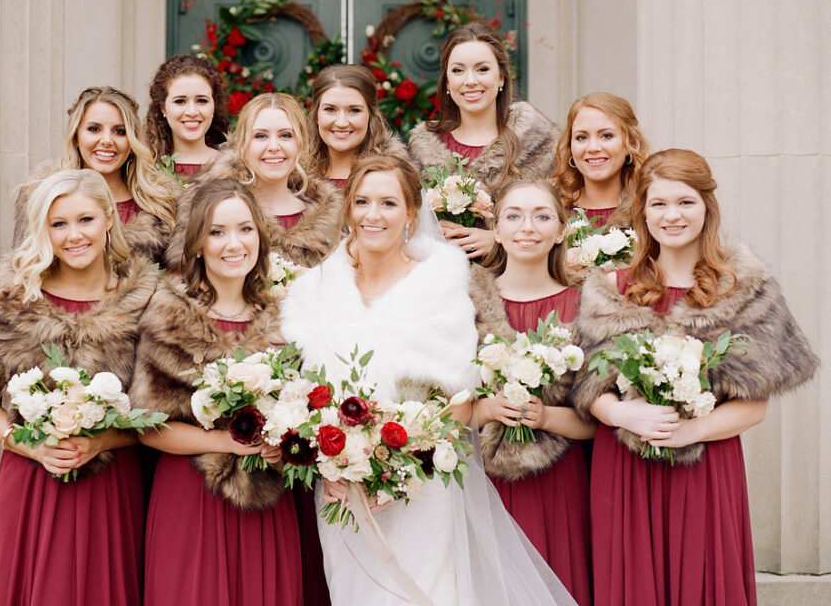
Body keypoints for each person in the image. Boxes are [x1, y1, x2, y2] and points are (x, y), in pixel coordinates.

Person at [281, 156, 575, 606]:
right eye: (361, 202)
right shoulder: (314, 290)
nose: (372, 215)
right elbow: (303, 400)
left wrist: (396, 471)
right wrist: (332, 467)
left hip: (419, 483)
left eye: (388, 203)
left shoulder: (439, 287)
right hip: (343, 490)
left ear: (411, 214)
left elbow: (458, 400)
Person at [571, 149, 818, 605]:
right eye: (658, 203)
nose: (672, 215)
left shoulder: (745, 290)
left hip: (705, 465)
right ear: (642, 211)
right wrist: (625, 413)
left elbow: (754, 405)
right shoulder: (610, 288)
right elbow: (588, 389)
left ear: (708, 207)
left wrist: (690, 431)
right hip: (626, 466)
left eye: (685, 202)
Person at [0, 169, 157, 606]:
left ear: (107, 220)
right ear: (42, 229)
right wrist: (34, 447)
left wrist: (102, 441)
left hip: (113, 484)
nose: (73, 235)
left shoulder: (147, 301)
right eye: (58, 223)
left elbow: (158, 412)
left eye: (84, 220)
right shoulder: (9, 300)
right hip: (31, 480)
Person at [130, 178, 303, 606]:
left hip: (267, 499)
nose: (234, 244)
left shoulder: (287, 319)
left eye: (245, 229)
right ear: (196, 243)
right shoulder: (167, 316)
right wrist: (225, 441)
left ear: (261, 238)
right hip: (191, 498)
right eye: (217, 231)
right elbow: (148, 426)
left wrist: (286, 442)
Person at [470, 179, 594, 605]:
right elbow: (435, 404)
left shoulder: (585, 307)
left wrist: (544, 417)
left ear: (561, 230)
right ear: (496, 228)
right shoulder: (465, 302)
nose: (528, 227)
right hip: (479, 478)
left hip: (557, 482)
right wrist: (487, 408)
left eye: (542, 216)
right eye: (514, 215)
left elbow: (600, 420)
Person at [407, 20, 558, 260]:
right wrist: (431, 233)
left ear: (501, 78)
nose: (470, 81)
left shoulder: (538, 143)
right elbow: (403, 226)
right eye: (458, 70)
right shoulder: (420, 150)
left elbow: (560, 221)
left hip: (514, 282)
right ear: (447, 82)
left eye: (482, 69)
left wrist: (501, 241)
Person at [166, 92, 343, 270]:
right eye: (260, 136)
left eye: (285, 135)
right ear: (243, 145)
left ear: (301, 143)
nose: (274, 147)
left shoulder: (333, 219)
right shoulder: (207, 207)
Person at [13, 86, 177, 262]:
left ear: (131, 142)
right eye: (94, 129)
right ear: (76, 137)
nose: (107, 140)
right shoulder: (44, 196)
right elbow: (21, 271)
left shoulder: (160, 204)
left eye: (119, 131)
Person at [552, 92, 649, 229]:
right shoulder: (552, 212)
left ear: (630, 143)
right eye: (581, 137)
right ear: (571, 147)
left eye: (606, 136)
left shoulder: (649, 210)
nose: (592, 148)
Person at [304, 63, 408, 188]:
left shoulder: (397, 176)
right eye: (330, 109)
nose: (341, 122)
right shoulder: (293, 175)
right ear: (316, 114)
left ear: (370, 115)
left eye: (354, 110)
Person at [145, 54, 231, 180]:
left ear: (214, 105)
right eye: (180, 101)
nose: (192, 112)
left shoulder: (234, 168)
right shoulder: (143, 169)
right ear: (163, 108)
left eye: (201, 101)